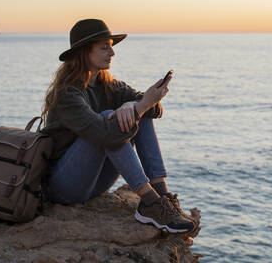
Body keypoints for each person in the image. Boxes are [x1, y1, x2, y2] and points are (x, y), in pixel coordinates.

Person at [40, 19, 196, 233]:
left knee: (140, 111)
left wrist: (136, 105)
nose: (112, 53)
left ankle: (161, 195)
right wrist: (140, 105)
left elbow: (154, 110)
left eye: (111, 46)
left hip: (95, 185)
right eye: (104, 47)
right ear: (85, 52)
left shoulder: (109, 85)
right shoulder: (68, 94)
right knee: (113, 117)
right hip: (64, 187)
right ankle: (150, 202)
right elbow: (104, 134)